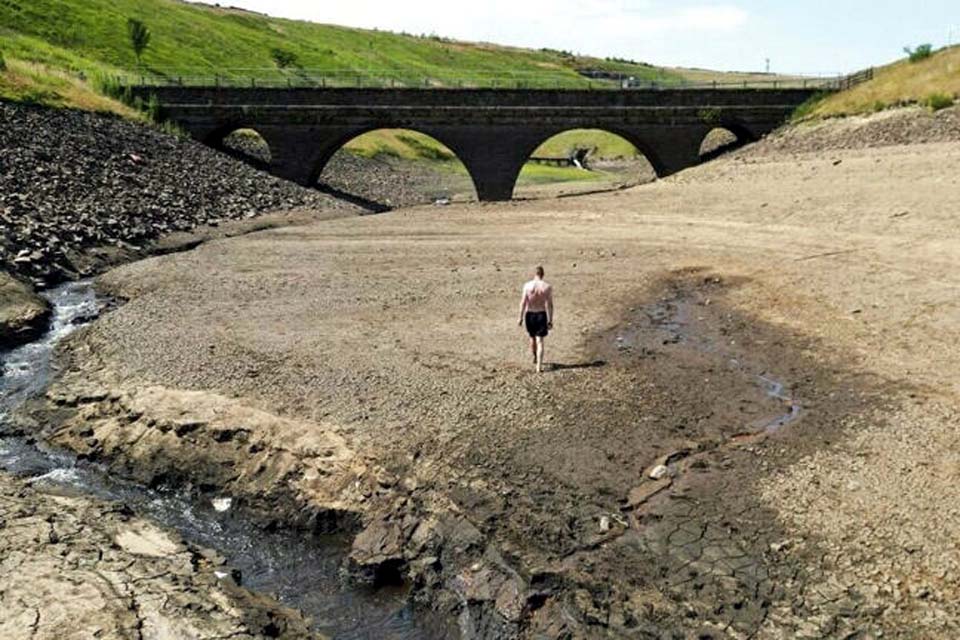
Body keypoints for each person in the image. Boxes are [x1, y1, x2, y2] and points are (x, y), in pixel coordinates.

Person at [518, 266, 554, 373]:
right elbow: (550, 305)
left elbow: (523, 302)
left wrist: (520, 317)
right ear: (542, 274)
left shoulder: (527, 286)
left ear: (535, 274)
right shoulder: (547, 286)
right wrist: (550, 319)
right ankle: (539, 366)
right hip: (541, 314)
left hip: (530, 314)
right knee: (540, 341)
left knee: (532, 338)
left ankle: (535, 356)